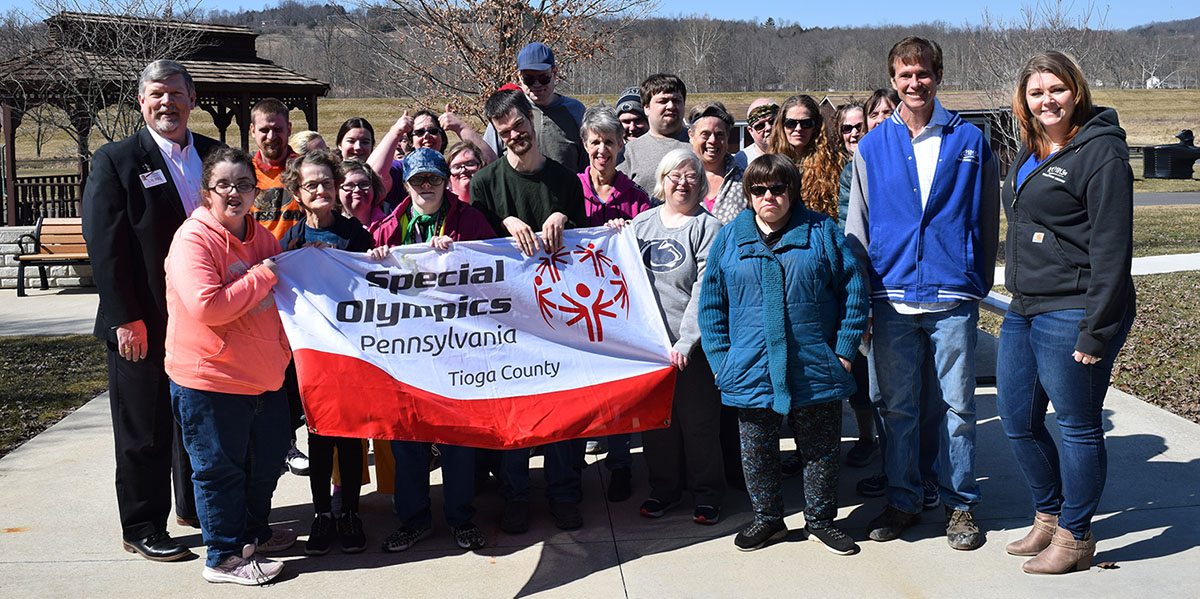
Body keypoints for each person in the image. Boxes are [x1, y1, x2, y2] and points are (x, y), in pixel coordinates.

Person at [845, 36, 1000, 551]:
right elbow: (857, 228)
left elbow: (985, 218)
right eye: (905, 75)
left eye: (924, 73)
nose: (915, 83)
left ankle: (961, 505)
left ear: (938, 75)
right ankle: (904, 500)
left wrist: (976, 279)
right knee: (899, 410)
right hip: (891, 298)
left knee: (959, 409)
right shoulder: (871, 146)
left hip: (952, 296)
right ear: (893, 80)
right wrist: (863, 297)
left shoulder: (968, 141)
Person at [997, 51, 1135, 575]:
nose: (1046, 100)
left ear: (1076, 91)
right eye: (1036, 92)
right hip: (1026, 306)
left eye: (1056, 89)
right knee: (1016, 419)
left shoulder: (1100, 152)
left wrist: (1096, 330)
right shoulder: (1028, 153)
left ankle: (1077, 536)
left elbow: (1112, 248)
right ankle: (1048, 515)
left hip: (1075, 308)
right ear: (1024, 102)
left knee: (1077, 425)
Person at [81, 59, 219, 563]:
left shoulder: (213, 155)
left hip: (203, 320)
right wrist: (124, 316)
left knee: (195, 421)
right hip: (143, 321)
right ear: (141, 102)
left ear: (192, 97)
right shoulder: (116, 161)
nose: (167, 103)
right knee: (145, 427)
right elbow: (105, 245)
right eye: (156, 94)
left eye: (176, 93)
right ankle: (141, 524)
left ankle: (193, 507)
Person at [699, 153, 867, 554]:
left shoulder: (822, 232)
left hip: (813, 364)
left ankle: (822, 519)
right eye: (759, 189)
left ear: (793, 191)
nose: (769, 196)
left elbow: (854, 293)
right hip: (750, 365)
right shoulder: (729, 238)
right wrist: (722, 360)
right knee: (756, 448)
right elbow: (711, 306)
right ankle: (768, 519)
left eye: (778, 188)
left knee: (821, 447)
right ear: (748, 194)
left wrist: (843, 350)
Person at [163, 146, 293, 584]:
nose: (234, 192)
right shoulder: (192, 239)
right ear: (206, 193)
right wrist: (262, 275)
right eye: (224, 185)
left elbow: (286, 286)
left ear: (255, 191)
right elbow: (208, 306)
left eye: (243, 184)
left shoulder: (263, 238)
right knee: (219, 470)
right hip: (210, 379)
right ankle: (222, 557)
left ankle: (253, 535)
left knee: (265, 463)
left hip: (262, 377)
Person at [470, 88, 587, 533]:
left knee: (559, 410)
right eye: (505, 132)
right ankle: (516, 495)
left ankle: (564, 494)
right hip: (508, 319)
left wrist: (565, 221)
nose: (515, 134)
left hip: (557, 316)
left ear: (531, 122)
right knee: (514, 412)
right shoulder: (485, 185)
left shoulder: (565, 180)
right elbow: (473, 250)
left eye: (520, 125)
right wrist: (504, 224)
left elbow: (591, 246)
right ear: (497, 137)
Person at [368, 148, 493, 553]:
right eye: (418, 180)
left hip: (458, 347)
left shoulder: (468, 221)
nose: (425, 187)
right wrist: (374, 259)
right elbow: (365, 283)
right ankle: (414, 519)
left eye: (433, 180)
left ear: (446, 182)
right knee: (408, 440)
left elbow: (495, 272)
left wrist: (459, 253)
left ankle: (461, 516)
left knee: (458, 440)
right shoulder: (388, 226)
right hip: (407, 352)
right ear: (405, 185)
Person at [610, 149, 725, 523]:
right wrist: (613, 236)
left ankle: (707, 494)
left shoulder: (708, 228)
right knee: (658, 428)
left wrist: (685, 342)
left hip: (693, 350)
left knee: (699, 426)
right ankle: (665, 490)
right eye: (675, 175)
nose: (683, 182)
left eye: (691, 176)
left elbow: (704, 290)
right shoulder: (640, 226)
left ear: (701, 183)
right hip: (652, 352)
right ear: (661, 181)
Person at [276, 150, 374, 555]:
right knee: (318, 436)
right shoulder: (291, 239)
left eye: (327, 183)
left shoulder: (356, 235)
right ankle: (322, 514)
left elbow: (374, 284)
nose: (321, 190)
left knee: (351, 437)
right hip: (311, 354)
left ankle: (349, 511)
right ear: (297, 192)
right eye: (311, 184)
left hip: (351, 352)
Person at [575, 105, 653, 502]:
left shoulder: (637, 199)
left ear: (621, 146)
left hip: (619, 309)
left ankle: (620, 464)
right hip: (572, 305)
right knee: (578, 387)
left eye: (609, 142)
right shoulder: (570, 190)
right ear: (584, 146)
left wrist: (629, 235)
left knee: (618, 393)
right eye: (595, 142)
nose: (602, 150)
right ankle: (574, 464)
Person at [483, 42, 587, 172]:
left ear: (554, 73)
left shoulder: (576, 111)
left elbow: (588, 165)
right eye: (529, 79)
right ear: (520, 77)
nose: (537, 84)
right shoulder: (507, 110)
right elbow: (487, 159)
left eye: (543, 77)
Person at [767, 94, 841, 220]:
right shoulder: (768, 164)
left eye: (806, 123)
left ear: (816, 126)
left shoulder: (834, 163)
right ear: (782, 126)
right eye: (791, 123)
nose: (798, 129)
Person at [618, 73, 690, 193]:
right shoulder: (629, 152)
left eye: (676, 100)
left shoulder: (701, 143)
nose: (671, 106)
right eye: (663, 101)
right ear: (646, 107)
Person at [248, 98, 301, 240]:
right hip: (258, 258)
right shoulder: (245, 172)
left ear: (289, 129)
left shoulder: (305, 168)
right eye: (264, 130)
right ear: (253, 131)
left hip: (298, 255)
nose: (271, 137)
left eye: (277, 129)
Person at [686, 101, 743, 224]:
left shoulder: (745, 181)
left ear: (727, 136)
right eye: (705, 134)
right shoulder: (676, 179)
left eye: (719, 134)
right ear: (691, 136)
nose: (712, 140)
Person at [340, 159, 387, 228]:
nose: (357, 190)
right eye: (349, 185)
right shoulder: (328, 228)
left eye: (364, 184)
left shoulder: (389, 226)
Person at [733, 98, 778, 169]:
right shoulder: (741, 162)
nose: (768, 127)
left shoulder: (795, 153)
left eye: (773, 121)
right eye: (760, 125)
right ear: (750, 131)